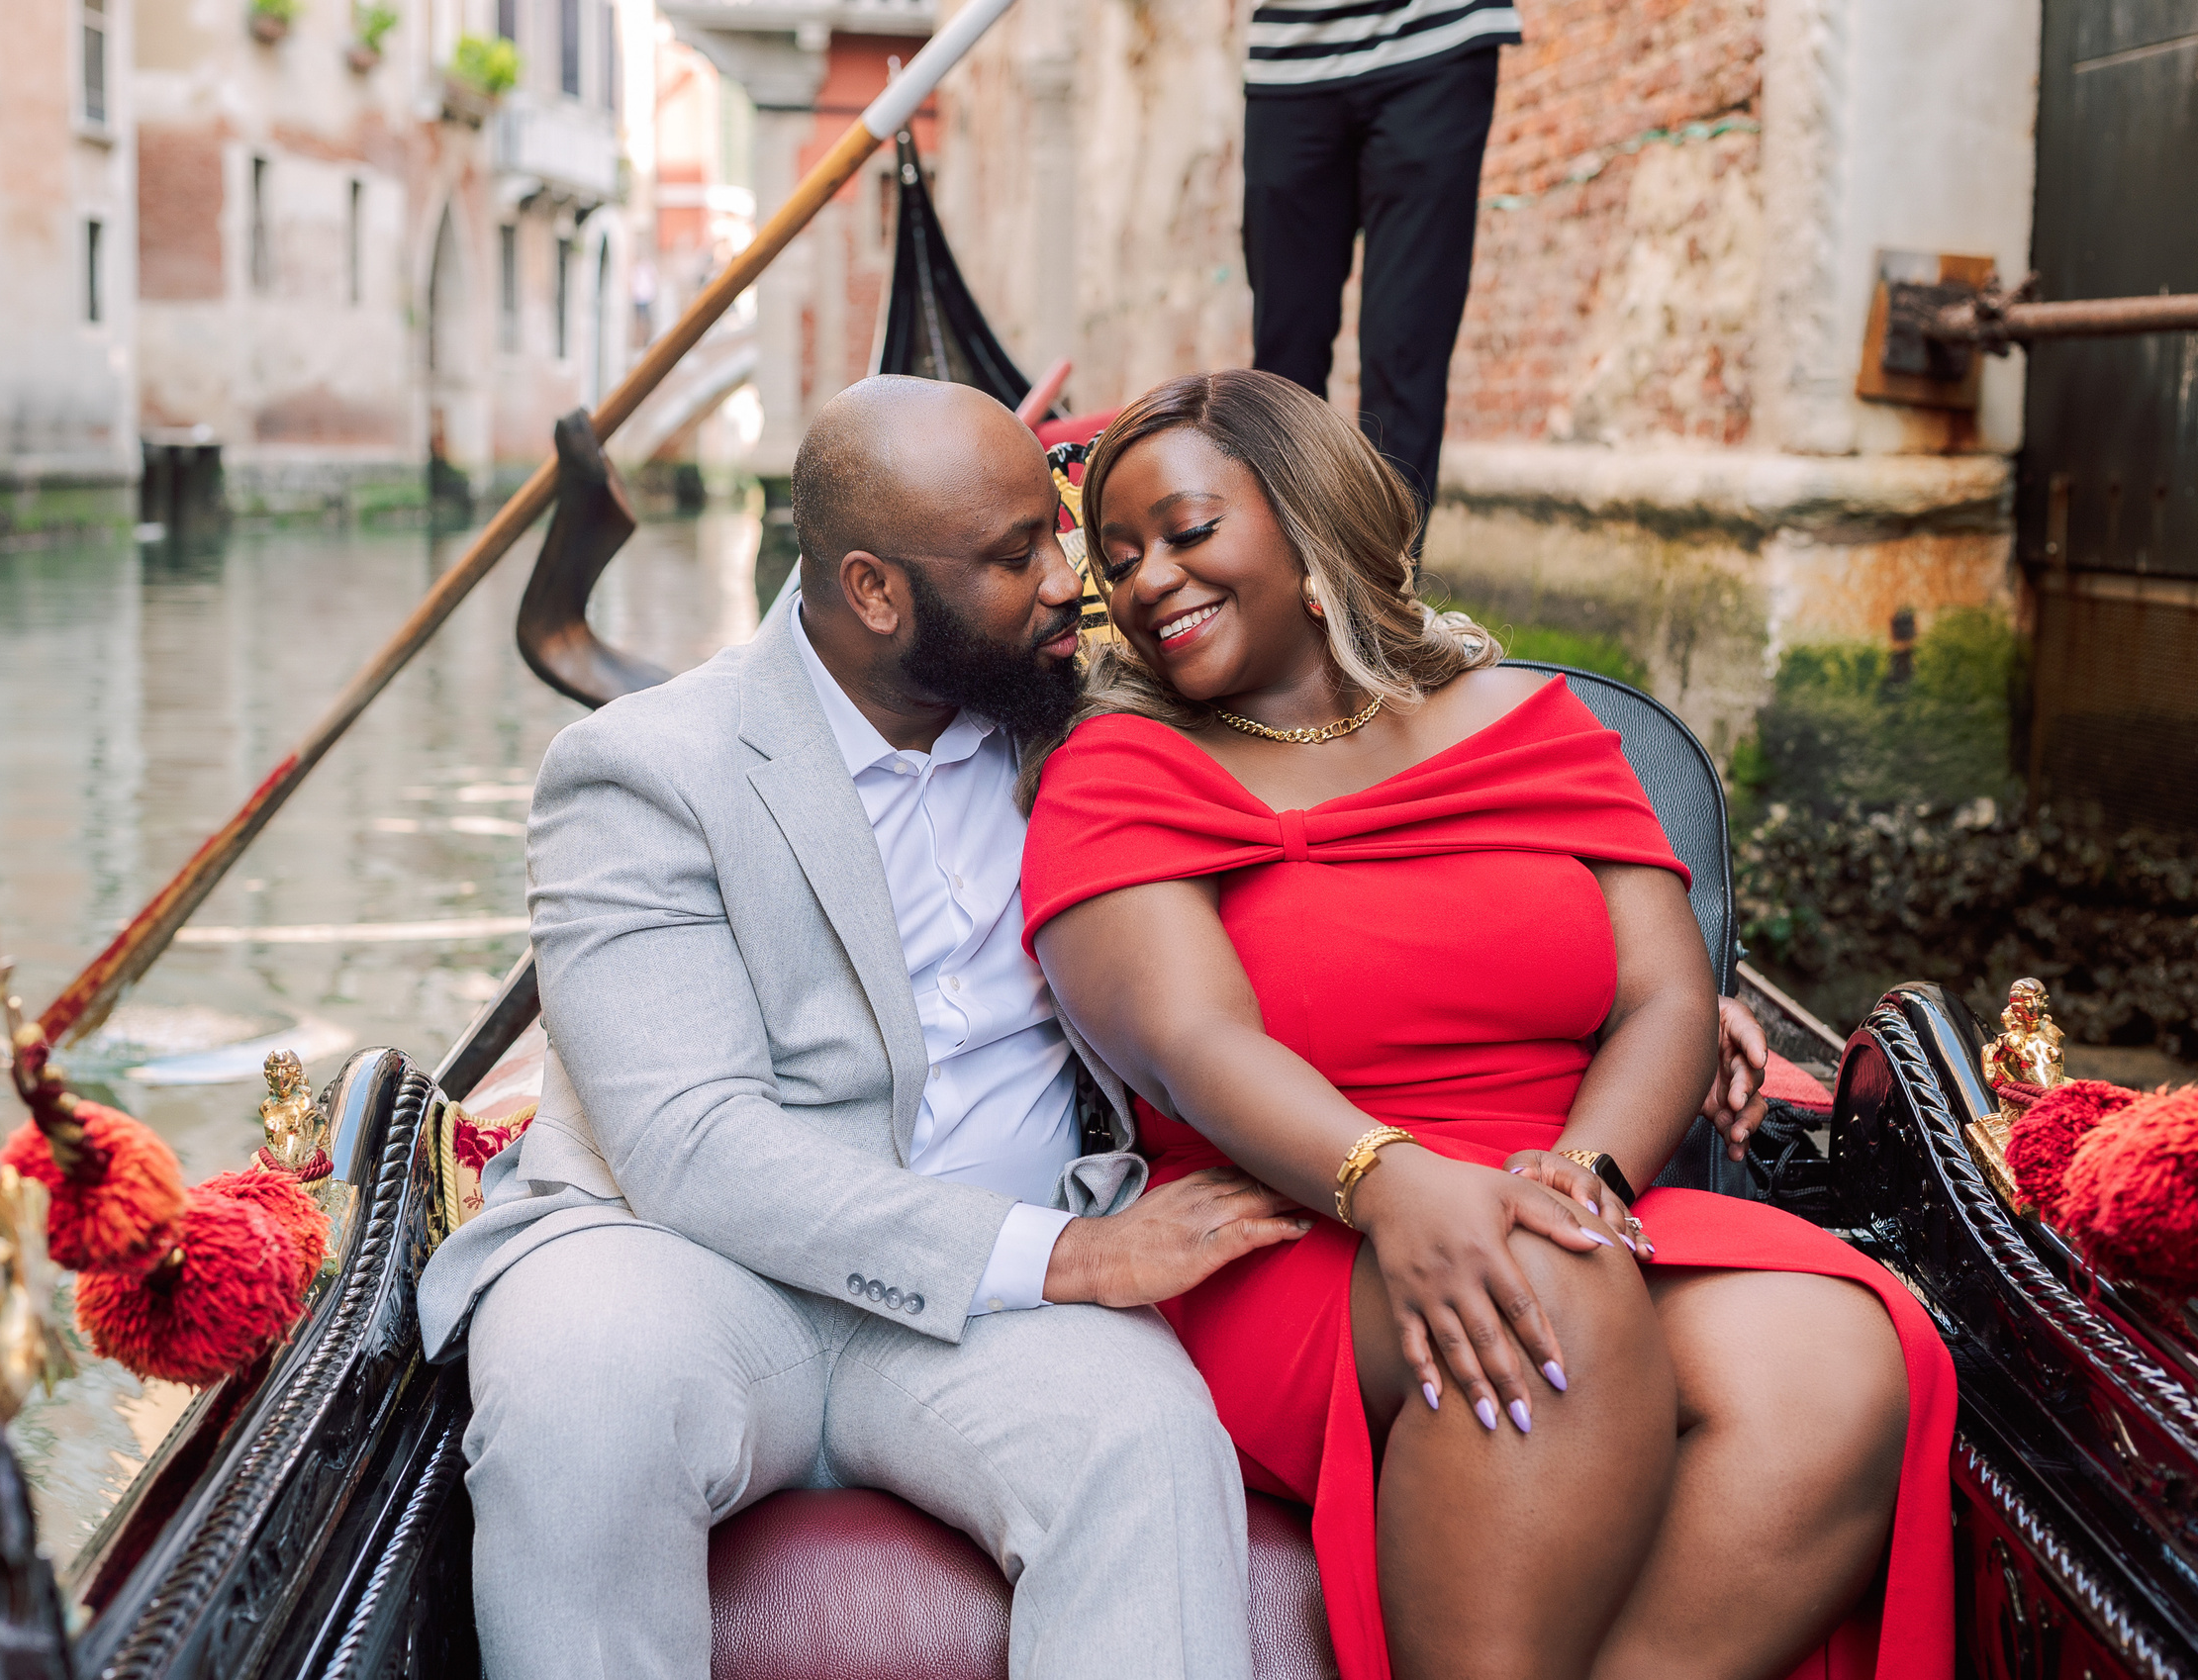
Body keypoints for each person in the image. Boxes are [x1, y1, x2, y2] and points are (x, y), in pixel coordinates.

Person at [1017, 369, 1954, 1680]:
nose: (1147, 580)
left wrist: (1584, 1169)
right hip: (1297, 1220)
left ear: (1306, 519)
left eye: (1187, 531)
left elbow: (1664, 997)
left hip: (1568, 1183)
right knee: (1542, 1281)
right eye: (1117, 559)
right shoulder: (1121, 767)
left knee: (1836, 1352)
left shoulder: (1531, 727)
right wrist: (1390, 1180)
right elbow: (1191, 1042)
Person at [416, 375, 1316, 1680]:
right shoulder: (643, 767)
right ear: (874, 592)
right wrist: (1071, 1255)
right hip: (692, 1268)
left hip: (1000, 1304)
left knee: (1147, 1439)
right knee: (580, 1396)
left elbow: (1340, 692)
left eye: (1059, 535)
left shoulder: (1082, 714)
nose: (1068, 584)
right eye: (1015, 555)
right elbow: (688, 1145)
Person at [1243, 1, 1517, 514]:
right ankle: (1288, 555)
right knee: (1285, 358)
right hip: (1291, 57)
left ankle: (1388, 564)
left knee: (1405, 349)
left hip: (1437, 41)